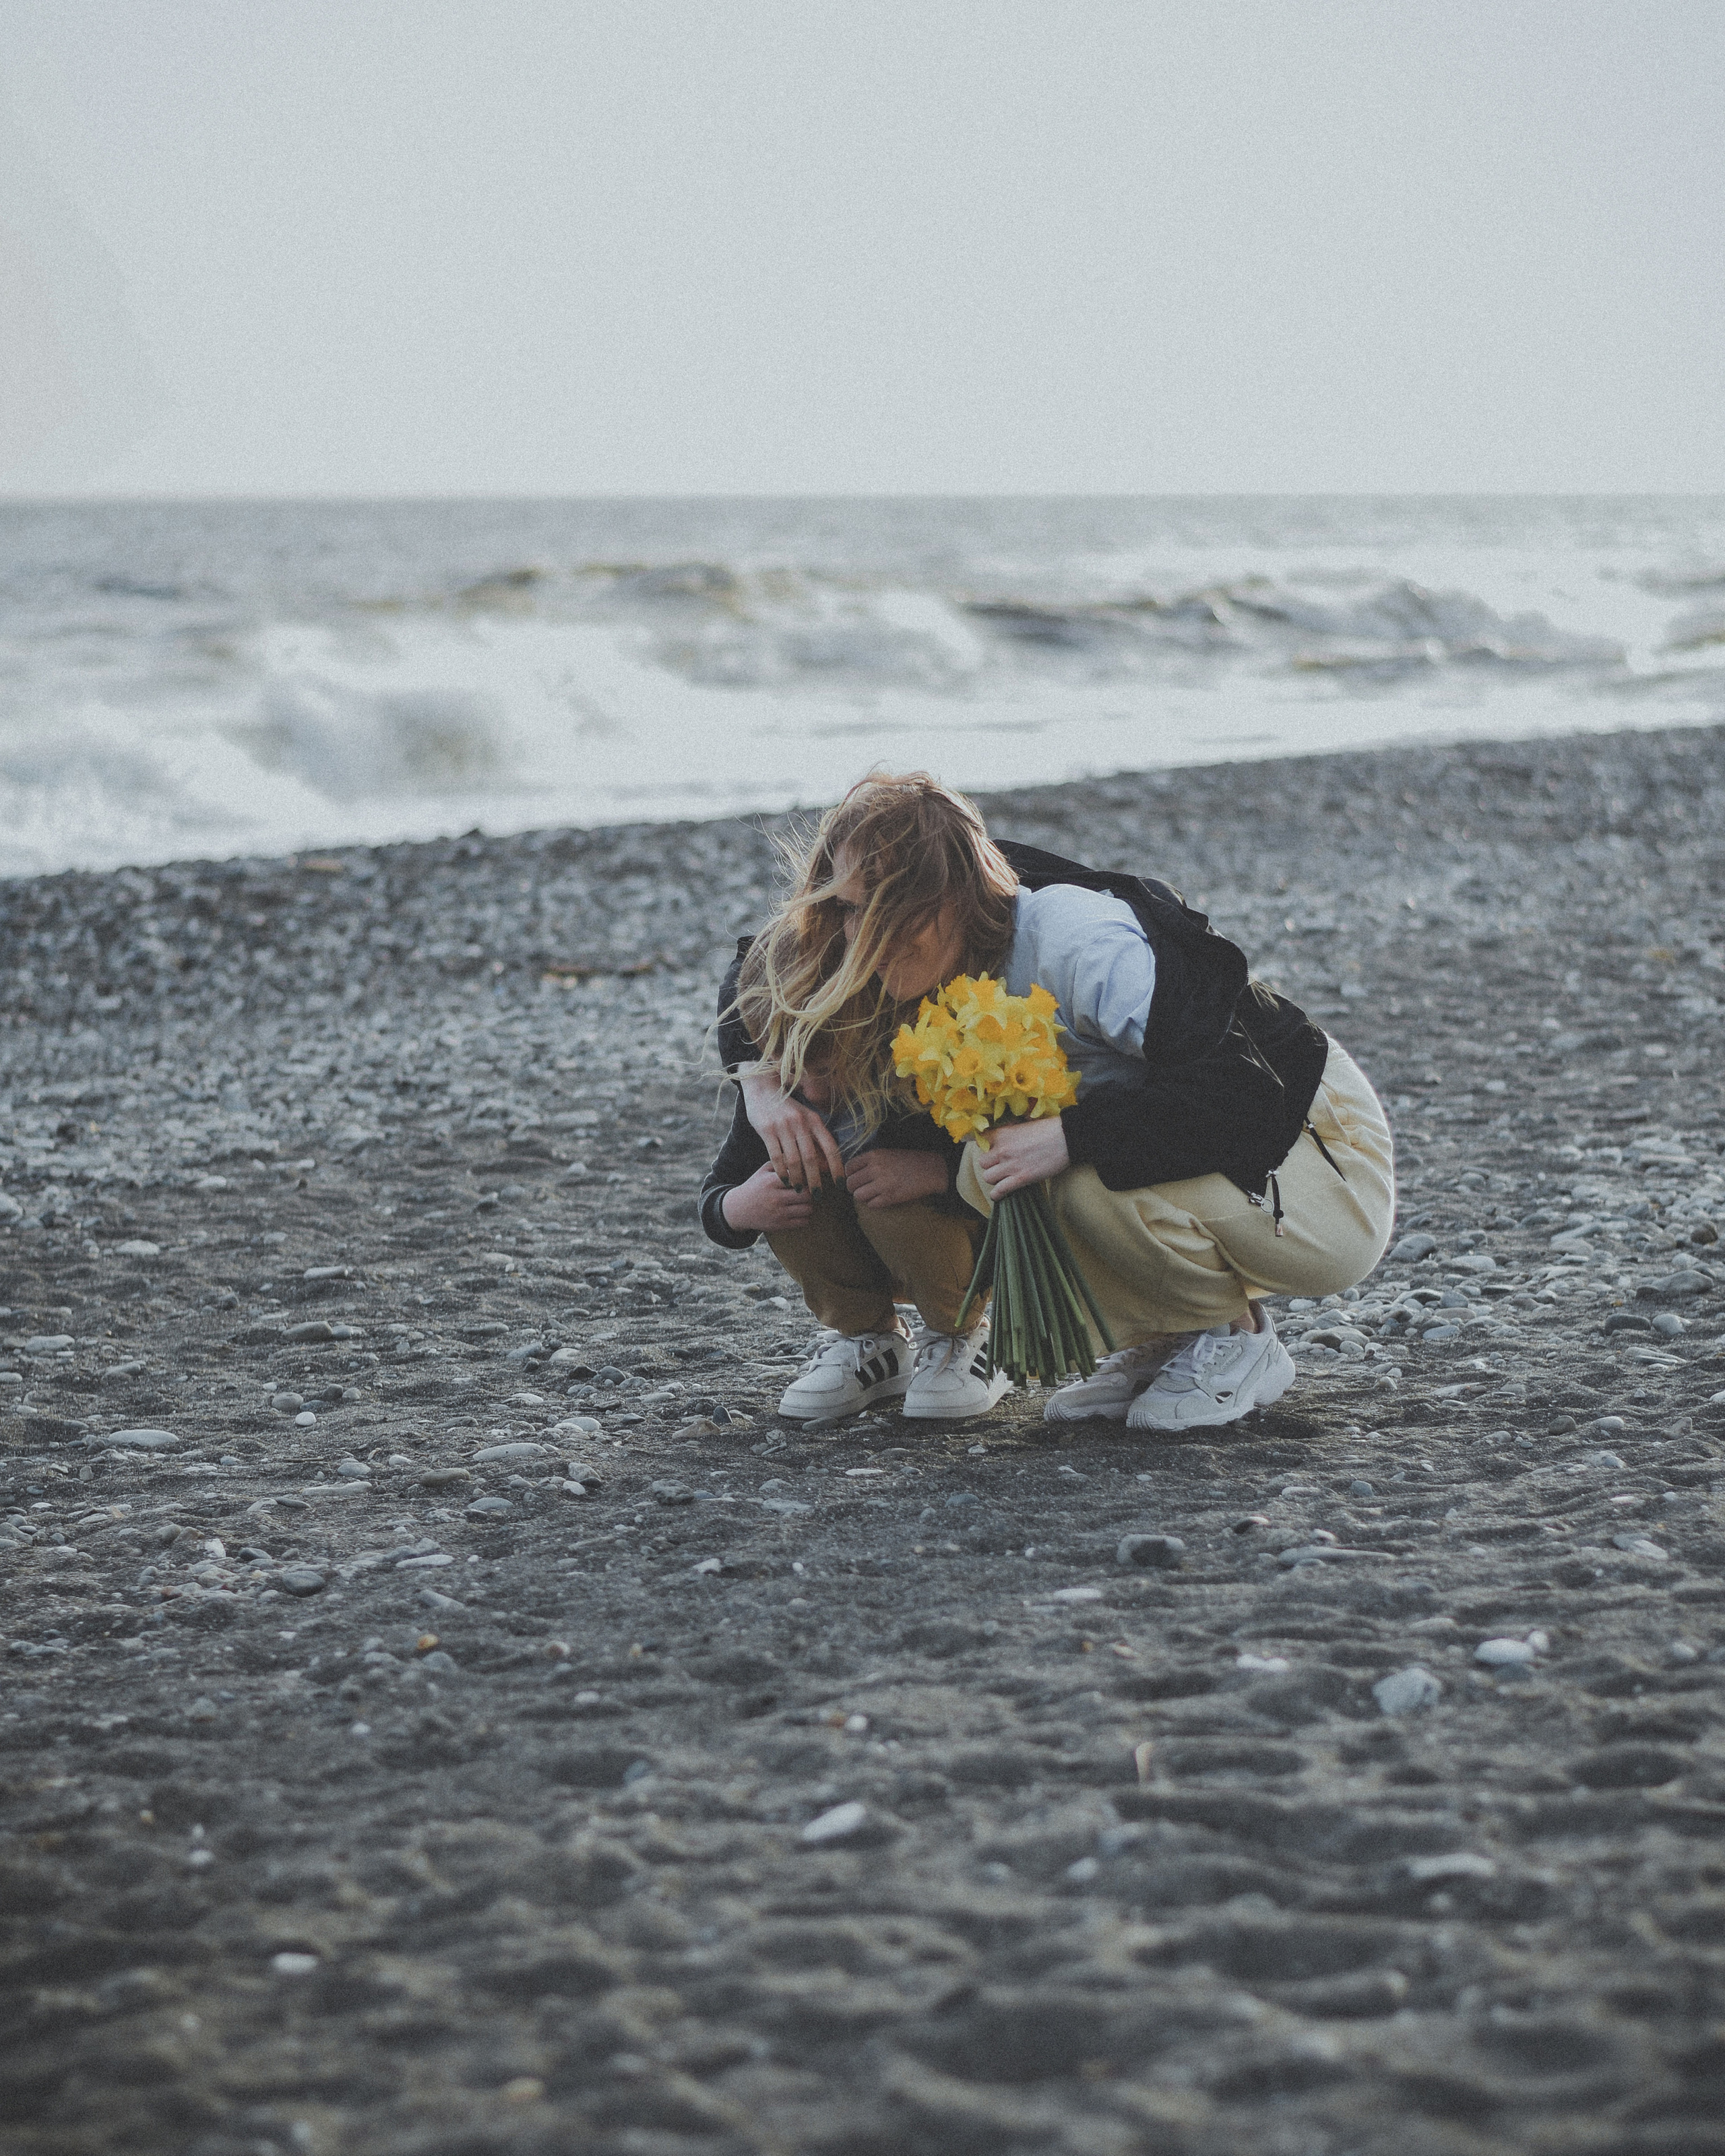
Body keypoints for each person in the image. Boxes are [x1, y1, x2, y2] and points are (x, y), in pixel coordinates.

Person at [699, 772, 1394, 1428]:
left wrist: (1072, 1134)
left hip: (1316, 1157)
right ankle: (1167, 1336)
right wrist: (760, 1085)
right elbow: (765, 963)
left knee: (1055, 1167)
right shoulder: (920, 935)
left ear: (938, 900)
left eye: (874, 912)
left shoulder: (1075, 941)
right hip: (1209, 1141)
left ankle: (1238, 1339)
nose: (854, 933)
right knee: (995, 1163)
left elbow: (1242, 1090)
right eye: (848, 907)